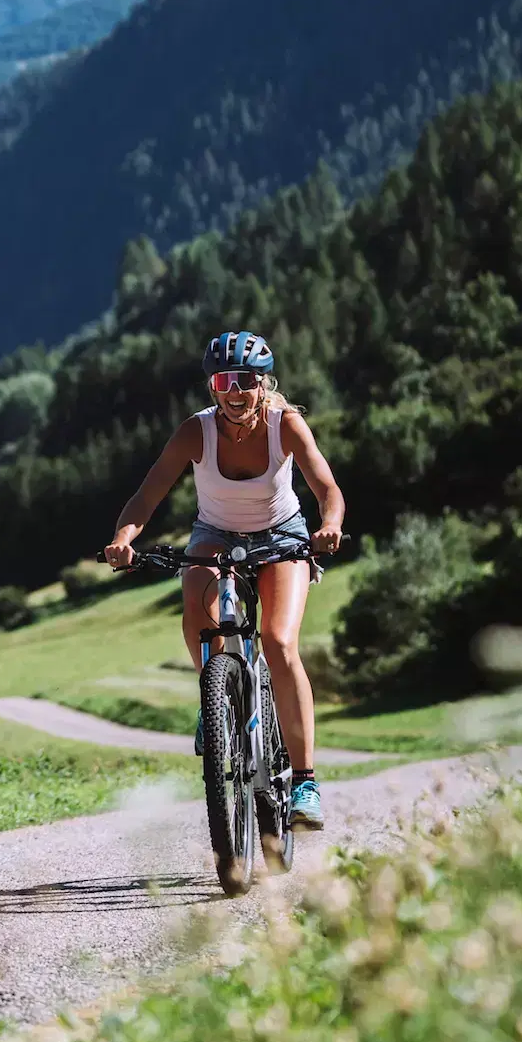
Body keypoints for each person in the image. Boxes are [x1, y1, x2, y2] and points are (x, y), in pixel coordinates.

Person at [101, 331, 345, 830]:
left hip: (282, 537)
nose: (236, 391)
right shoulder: (197, 431)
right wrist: (124, 537)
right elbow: (147, 496)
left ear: (263, 383)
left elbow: (327, 488)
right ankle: (215, 700)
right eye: (224, 380)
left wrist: (330, 526)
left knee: (278, 642)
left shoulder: (286, 425)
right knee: (197, 604)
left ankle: (305, 782)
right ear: (213, 386)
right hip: (214, 532)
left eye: (247, 381)